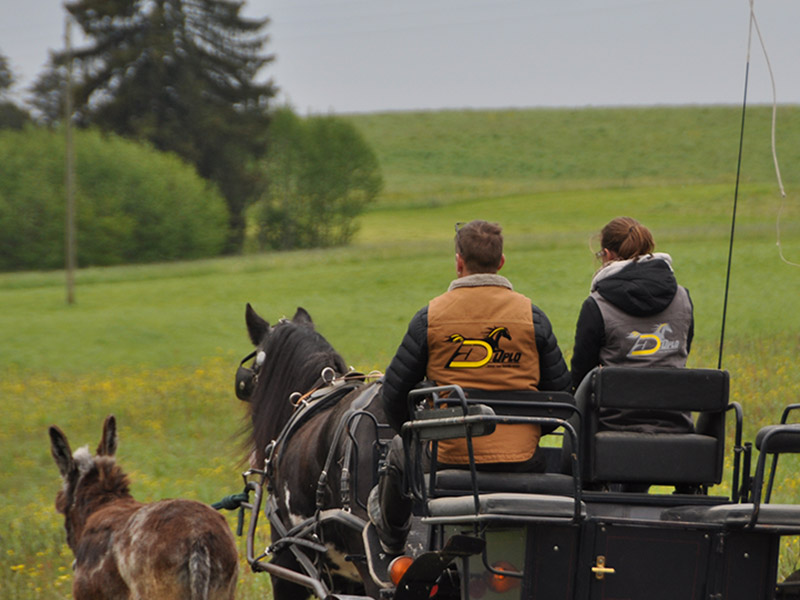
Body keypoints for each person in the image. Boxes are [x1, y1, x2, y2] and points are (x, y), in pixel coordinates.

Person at [368, 219, 571, 554]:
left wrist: (419, 435)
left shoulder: (430, 317)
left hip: (449, 458)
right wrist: (527, 430)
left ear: (458, 262)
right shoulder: (531, 317)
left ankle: (391, 539)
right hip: (522, 458)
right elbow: (561, 399)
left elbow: (393, 397)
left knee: (398, 450)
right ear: (501, 262)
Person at [571, 216, 695, 434]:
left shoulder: (597, 306)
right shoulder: (683, 298)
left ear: (607, 255)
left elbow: (582, 378)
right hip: (678, 428)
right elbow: (684, 349)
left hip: (610, 429)